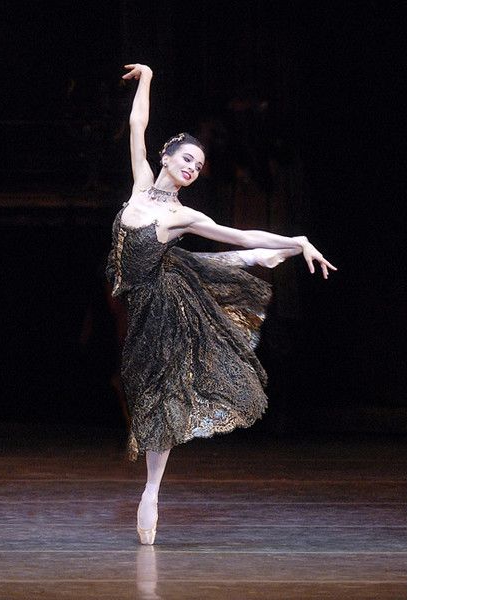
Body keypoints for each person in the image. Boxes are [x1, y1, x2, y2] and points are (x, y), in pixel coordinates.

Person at [106, 63, 337, 545]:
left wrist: (296, 239)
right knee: (202, 266)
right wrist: (148, 77)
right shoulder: (140, 183)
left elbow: (237, 230)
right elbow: (137, 125)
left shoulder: (182, 213)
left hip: (163, 304)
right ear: (167, 157)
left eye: (198, 166)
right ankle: (260, 259)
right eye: (186, 159)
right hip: (149, 288)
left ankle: (151, 490)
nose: (192, 168)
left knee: (164, 393)